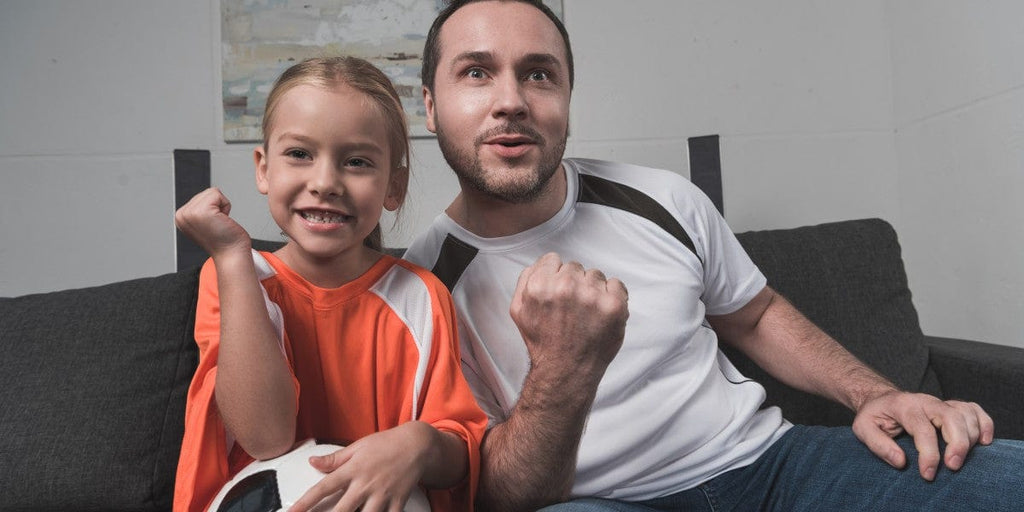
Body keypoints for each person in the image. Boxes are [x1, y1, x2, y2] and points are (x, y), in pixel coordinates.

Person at [402, 1, 1024, 511]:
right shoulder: (421, 287)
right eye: (476, 72)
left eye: (539, 73)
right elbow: (505, 495)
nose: (511, 100)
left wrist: (872, 394)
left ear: (567, 95)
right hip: (597, 502)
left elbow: (753, 315)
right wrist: (565, 364)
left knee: (1004, 480)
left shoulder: (661, 197)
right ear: (429, 104)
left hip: (769, 466)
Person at [172, 56, 487, 512]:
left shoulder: (420, 297)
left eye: (356, 162)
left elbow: (461, 452)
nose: (325, 183)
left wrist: (418, 444)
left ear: (393, 188)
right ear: (263, 169)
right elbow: (266, 437)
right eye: (299, 154)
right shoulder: (235, 277)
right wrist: (231, 257)